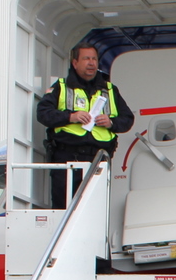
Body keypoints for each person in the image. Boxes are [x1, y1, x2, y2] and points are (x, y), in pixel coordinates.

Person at [35, 43, 133, 209]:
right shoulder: (61, 87)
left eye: (94, 59)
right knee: (64, 210)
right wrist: (70, 116)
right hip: (66, 159)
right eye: (86, 58)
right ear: (75, 63)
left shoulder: (109, 90)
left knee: (95, 210)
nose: (91, 63)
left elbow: (128, 119)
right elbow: (43, 114)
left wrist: (111, 122)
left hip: (98, 160)